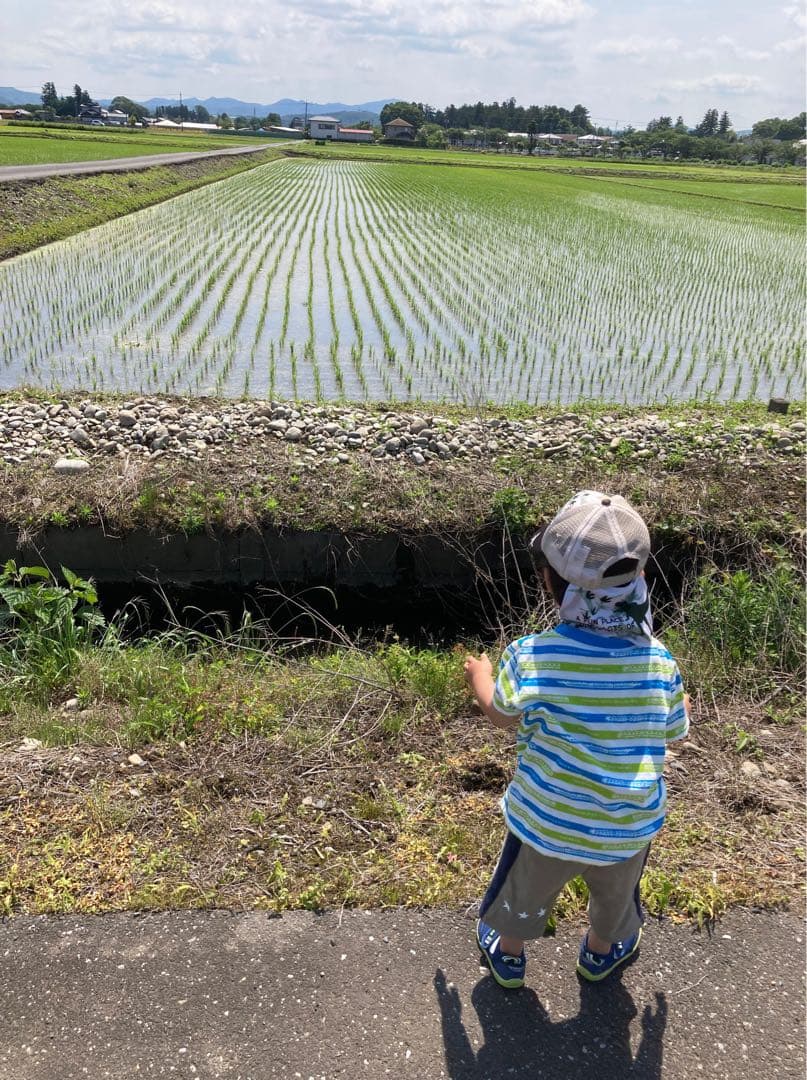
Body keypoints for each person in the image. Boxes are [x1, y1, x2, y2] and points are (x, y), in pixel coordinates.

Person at [464, 490, 689, 988]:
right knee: (615, 898)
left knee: (522, 892)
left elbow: (502, 717)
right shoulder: (660, 663)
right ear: (640, 578)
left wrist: (482, 674)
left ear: (549, 581)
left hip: (548, 820)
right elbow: (675, 728)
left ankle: (509, 953)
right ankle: (600, 953)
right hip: (627, 826)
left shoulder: (532, 656)